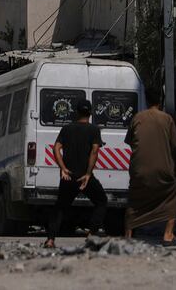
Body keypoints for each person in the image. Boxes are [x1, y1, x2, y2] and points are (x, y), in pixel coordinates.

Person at [44, 99, 108, 248]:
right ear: (90, 113)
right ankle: (92, 233)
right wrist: (88, 174)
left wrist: (63, 168)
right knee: (101, 201)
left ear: (77, 112)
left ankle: (50, 240)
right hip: (84, 177)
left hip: (68, 176)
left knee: (60, 208)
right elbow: (94, 151)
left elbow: (56, 148)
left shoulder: (67, 129)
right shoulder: (94, 130)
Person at [124, 86, 176, 244]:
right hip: (163, 170)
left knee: (134, 200)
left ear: (146, 100)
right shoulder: (167, 119)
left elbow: (131, 142)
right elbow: (175, 145)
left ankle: (128, 235)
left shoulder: (137, 118)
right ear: (160, 100)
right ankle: (168, 234)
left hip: (139, 170)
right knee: (173, 196)